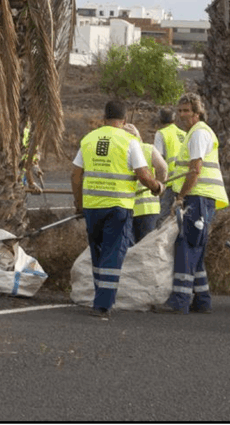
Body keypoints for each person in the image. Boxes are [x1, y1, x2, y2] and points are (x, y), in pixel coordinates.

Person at [71, 101, 164, 319]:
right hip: (118, 208)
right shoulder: (129, 141)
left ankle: (98, 296)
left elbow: (75, 176)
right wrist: (157, 187)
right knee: (113, 253)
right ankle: (103, 304)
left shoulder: (88, 139)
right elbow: (143, 174)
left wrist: (79, 204)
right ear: (123, 122)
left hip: (93, 207)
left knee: (98, 250)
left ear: (103, 119)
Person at [157, 92, 228, 315]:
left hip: (198, 197)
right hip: (200, 197)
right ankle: (202, 299)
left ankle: (180, 300)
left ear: (197, 113)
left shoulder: (198, 134)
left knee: (187, 246)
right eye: (179, 111)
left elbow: (195, 170)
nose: (182, 115)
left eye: (187, 111)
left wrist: (180, 197)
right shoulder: (194, 133)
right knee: (196, 247)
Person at [122, 123, 167, 244]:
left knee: (127, 248)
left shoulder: (119, 149)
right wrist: (159, 186)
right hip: (148, 208)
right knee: (146, 249)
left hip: (124, 207)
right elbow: (163, 168)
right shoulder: (148, 148)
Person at [152, 107, 186, 229]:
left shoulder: (161, 134)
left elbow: (158, 161)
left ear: (160, 120)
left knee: (163, 219)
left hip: (171, 183)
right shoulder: (184, 134)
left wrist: (159, 185)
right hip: (186, 183)